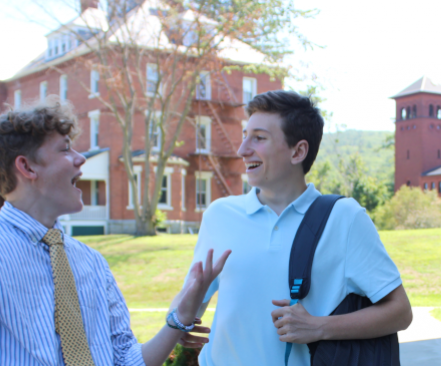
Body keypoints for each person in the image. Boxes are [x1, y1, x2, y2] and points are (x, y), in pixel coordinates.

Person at [0, 99, 230, 366]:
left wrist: (179, 320)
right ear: (27, 167)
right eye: (65, 149)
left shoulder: (93, 263)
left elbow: (126, 360)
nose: (81, 159)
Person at [176, 90, 412, 365]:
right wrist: (179, 321)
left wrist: (319, 327)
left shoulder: (344, 218)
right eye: (244, 135)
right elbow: (190, 299)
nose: (242, 150)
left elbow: (400, 312)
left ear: (298, 151)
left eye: (259, 138)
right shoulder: (219, 215)